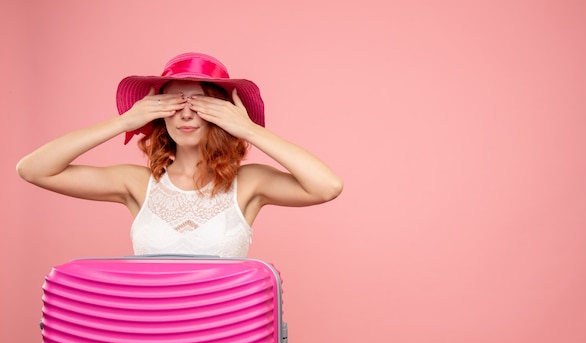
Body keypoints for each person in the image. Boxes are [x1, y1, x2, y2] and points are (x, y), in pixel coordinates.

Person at [16, 52, 343, 257]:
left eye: (199, 104)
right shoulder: (137, 183)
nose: (185, 114)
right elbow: (33, 169)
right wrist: (124, 122)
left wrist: (249, 129)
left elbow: (326, 186)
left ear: (221, 113)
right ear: (158, 114)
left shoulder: (249, 183)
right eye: (173, 104)